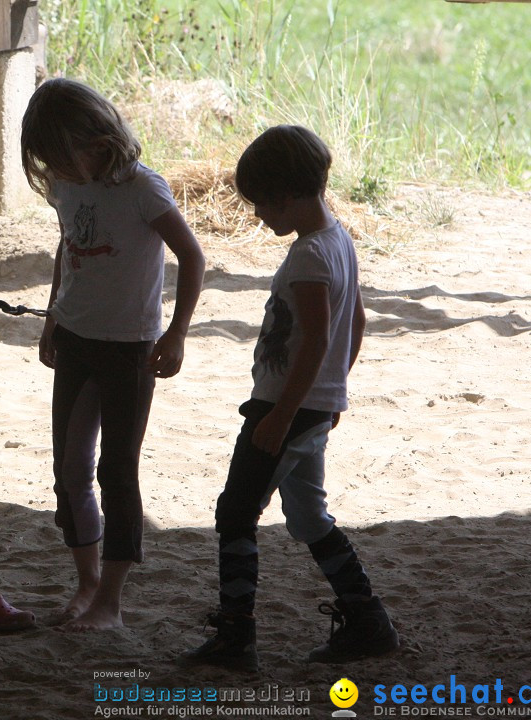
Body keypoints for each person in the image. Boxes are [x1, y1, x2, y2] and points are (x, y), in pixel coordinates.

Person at [179, 125, 398, 671]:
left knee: (235, 512)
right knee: (307, 515)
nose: (259, 217)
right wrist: (333, 392)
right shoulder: (338, 239)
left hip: (285, 408)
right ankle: (367, 618)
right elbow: (357, 323)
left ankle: (236, 635)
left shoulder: (308, 258)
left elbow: (321, 337)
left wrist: (282, 414)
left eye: (262, 205)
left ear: (287, 195)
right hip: (310, 406)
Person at [20, 78, 206, 632]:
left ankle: (113, 601)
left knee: (117, 469)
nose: (54, 168)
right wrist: (53, 312)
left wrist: (176, 332)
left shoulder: (144, 190)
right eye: (47, 160)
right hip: (75, 339)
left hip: (129, 348)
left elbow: (192, 258)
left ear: (96, 140)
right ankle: (88, 582)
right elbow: (66, 246)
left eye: (60, 155)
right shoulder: (66, 184)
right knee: (69, 467)